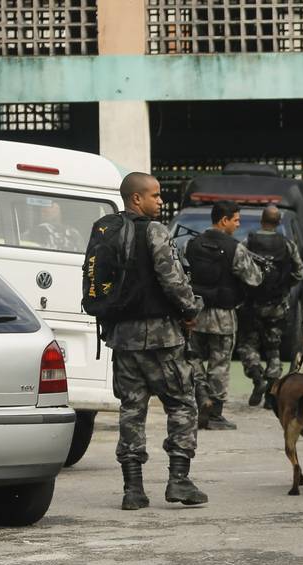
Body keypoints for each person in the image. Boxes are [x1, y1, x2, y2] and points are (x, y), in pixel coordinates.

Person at [104, 172, 207, 510]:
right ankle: (178, 480)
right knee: (181, 404)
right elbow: (172, 280)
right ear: (137, 199)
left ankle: (132, 489)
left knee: (132, 409)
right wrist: (191, 309)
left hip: (122, 339)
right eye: (156, 195)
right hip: (162, 340)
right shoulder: (156, 232)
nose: (160, 201)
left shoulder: (108, 232)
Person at [185, 200, 263, 430]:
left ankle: (201, 396)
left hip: (195, 312)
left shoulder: (192, 244)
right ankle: (215, 413)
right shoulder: (234, 248)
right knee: (219, 364)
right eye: (236, 220)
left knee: (194, 358)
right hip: (223, 315)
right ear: (224, 220)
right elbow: (254, 279)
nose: (238, 226)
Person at [241, 204, 303, 408]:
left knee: (247, 345)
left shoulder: (248, 241)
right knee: (273, 347)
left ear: (262, 220)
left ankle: (257, 378)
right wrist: (284, 286)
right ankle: (271, 390)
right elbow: (299, 272)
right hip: (277, 303)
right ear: (278, 222)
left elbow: (239, 268)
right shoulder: (287, 245)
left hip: (252, 303)